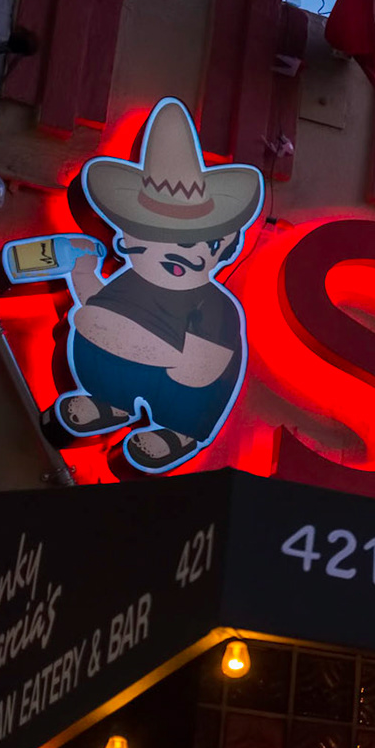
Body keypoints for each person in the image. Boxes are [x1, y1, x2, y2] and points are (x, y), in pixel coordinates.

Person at [51, 97, 263, 473]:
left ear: (224, 247)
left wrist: (134, 343)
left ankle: (177, 433)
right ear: (127, 240)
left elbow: (202, 368)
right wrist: (82, 274)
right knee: (89, 340)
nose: (181, 252)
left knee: (188, 397)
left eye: (201, 241)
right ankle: (107, 403)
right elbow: (95, 303)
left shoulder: (215, 305)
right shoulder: (130, 280)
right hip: (122, 356)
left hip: (183, 385)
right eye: (161, 238)